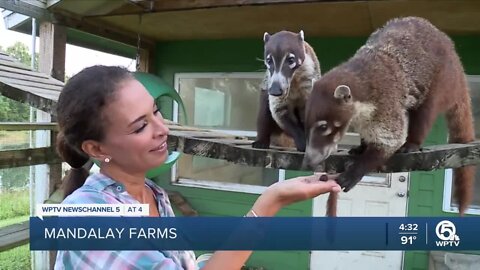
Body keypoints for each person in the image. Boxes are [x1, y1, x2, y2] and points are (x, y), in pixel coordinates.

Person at [54, 65, 341, 270]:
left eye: (156, 112)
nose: (162, 129)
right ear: (97, 149)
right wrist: (270, 202)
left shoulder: (153, 194)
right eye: (140, 126)